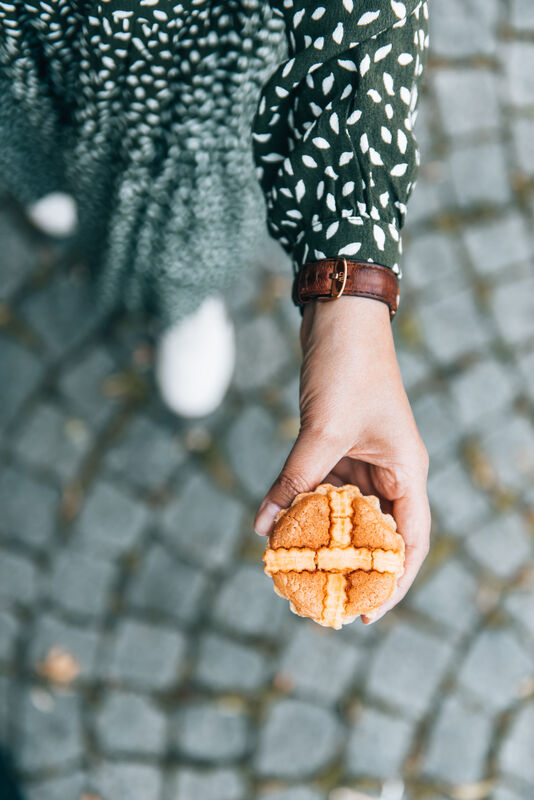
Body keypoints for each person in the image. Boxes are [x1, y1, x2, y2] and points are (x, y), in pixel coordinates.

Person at [0, 0, 431, 626]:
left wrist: (351, 297)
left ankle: (184, 297)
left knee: (188, 216)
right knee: (35, 143)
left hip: (190, 51)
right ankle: (54, 189)